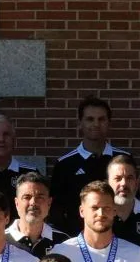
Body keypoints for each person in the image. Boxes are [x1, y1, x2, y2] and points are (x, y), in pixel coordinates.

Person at [48, 97, 127, 236]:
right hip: (77, 241)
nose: (96, 124)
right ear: (80, 123)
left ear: (109, 123)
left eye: (101, 119)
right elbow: (56, 211)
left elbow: (131, 201)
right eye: (90, 119)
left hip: (118, 238)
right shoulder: (65, 164)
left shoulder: (123, 160)